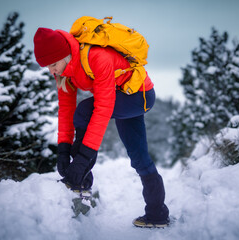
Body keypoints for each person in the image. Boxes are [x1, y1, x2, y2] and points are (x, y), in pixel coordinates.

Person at [33, 27, 170, 227]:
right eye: (47, 67)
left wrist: (81, 160)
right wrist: (62, 150)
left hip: (139, 95)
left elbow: (102, 110)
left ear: (66, 55)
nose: (51, 70)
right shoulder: (63, 72)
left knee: (85, 111)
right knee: (139, 156)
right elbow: (65, 110)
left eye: (53, 64)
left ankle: (80, 181)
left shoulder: (97, 58)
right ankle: (157, 214)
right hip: (120, 96)